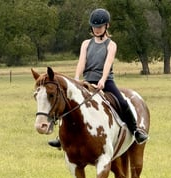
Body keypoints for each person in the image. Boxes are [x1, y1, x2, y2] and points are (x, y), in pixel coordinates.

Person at [48, 8, 148, 148]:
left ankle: (136, 131)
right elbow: (82, 62)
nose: (97, 29)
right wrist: (77, 78)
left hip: (105, 82)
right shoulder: (86, 44)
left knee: (122, 102)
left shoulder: (111, 45)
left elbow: (107, 63)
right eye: (95, 27)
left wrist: (102, 80)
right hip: (86, 81)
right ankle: (61, 137)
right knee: (68, 103)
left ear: (107, 26)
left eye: (100, 27)